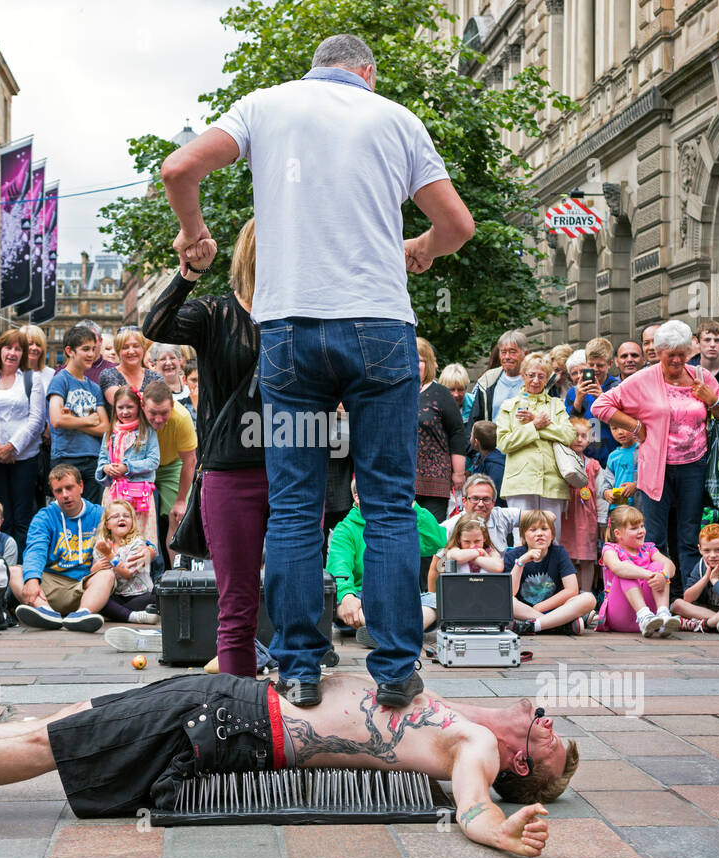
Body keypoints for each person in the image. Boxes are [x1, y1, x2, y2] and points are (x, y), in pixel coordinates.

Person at [162, 33, 474, 708]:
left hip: (292, 335)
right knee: (390, 503)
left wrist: (193, 233)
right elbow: (457, 225)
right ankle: (394, 670)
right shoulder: (397, 118)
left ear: (315, 65)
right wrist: (418, 249)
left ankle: (299, 667)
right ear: (366, 71)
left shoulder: (265, 105)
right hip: (380, 334)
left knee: (297, 508)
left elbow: (177, 168)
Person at [0, 676, 575, 857]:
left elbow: (471, 806)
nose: (540, 714)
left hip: (233, 725)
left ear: (517, 758)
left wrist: (500, 831)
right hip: (232, 697)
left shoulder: (470, 746)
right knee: (65, 722)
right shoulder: (459, 709)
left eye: (545, 733)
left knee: (56, 747)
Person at [142, 219, 266, 677]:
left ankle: (298, 690)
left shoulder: (302, 313)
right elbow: (155, 324)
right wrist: (190, 272)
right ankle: (239, 702)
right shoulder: (217, 313)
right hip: (230, 470)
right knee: (237, 597)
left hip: (295, 468)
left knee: (300, 588)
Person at [593, 320, 719, 587]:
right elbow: (601, 406)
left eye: (682, 354)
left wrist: (712, 400)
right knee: (654, 538)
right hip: (655, 468)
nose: (677, 360)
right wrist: (634, 425)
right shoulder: (643, 379)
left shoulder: (702, 377)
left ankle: (692, 594)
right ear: (659, 353)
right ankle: (657, 595)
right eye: (671, 354)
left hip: (694, 466)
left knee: (689, 535)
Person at [329, 476, 448, 648]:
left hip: (399, 597)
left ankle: (381, 632)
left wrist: (411, 504)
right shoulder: (345, 529)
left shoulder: (398, 525)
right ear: (357, 497)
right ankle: (403, 633)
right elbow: (339, 566)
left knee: (436, 600)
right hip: (362, 597)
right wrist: (347, 595)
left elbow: (437, 542)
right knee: (338, 602)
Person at [15, 464, 122, 633]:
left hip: (85, 585)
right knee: (15, 571)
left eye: (69, 488)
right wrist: (32, 580)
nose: (65, 495)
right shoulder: (45, 517)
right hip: (50, 586)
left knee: (107, 575)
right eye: (58, 491)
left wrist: (148, 548)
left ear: (81, 486)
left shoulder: (99, 514)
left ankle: (81, 615)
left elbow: (128, 535)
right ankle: (46, 613)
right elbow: (36, 550)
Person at [0, 329, 48, 550]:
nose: (13, 353)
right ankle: (1, 561)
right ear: (0, 350)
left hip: (24, 457)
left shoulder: (31, 379)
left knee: (22, 514)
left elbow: (36, 419)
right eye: (9, 347)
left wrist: (12, 447)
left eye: (18, 349)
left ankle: (23, 566)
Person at [495, 353, 577, 530]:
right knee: (522, 539)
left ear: (547, 378)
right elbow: (503, 443)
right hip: (520, 482)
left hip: (552, 482)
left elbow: (569, 436)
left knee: (552, 539)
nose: (535, 380)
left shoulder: (557, 405)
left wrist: (540, 426)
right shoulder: (510, 406)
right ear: (523, 375)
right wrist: (534, 426)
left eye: (541, 376)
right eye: (531, 375)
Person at [506, 510, 597, 636]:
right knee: (507, 601)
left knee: (589, 598)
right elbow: (510, 593)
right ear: (523, 536)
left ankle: (533, 625)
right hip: (524, 611)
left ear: (552, 535)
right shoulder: (513, 556)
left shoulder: (559, 553)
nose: (539, 534)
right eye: (532, 530)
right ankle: (560, 626)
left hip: (556, 609)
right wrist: (521, 562)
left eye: (544, 529)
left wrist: (539, 607)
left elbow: (572, 590)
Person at [48, 325, 108, 506]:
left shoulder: (94, 387)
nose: (91, 354)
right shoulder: (61, 380)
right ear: (70, 351)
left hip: (93, 458)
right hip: (66, 456)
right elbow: (57, 419)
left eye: (93, 349)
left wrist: (73, 420)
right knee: (67, 510)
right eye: (85, 349)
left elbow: (105, 426)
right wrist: (89, 420)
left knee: (92, 511)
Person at [597, 505, 678, 638]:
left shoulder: (648, 548)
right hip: (620, 616)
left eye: (642, 526)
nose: (641, 531)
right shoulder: (610, 549)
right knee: (626, 569)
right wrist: (649, 575)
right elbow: (618, 567)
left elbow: (670, 566)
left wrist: (663, 576)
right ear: (618, 533)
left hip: (653, 619)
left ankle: (663, 615)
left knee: (659, 566)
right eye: (634, 528)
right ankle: (643, 616)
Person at [141, 380, 196, 565]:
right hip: (140, 466)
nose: (158, 419)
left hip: (171, 465)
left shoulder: (182, 417)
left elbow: (190, 461)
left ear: (172, 406)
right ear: (142, 405)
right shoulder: (132, 412)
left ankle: (177, 574)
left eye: (164, 413)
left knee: (177, 516)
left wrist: (181, 500)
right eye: (152, 413)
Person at [97, 386, 160, 543]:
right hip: (114, 493)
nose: (125, 412)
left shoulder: (148, 432)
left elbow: (153, 460)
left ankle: (141, 565)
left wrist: (128, 467)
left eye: (129, 407)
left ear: (138, 407)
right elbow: (102, 459)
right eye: (120, 407)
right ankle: (116, 565)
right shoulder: (110, 433)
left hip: (139, 494)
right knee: (114, 537)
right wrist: (106, 468)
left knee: (141, 536)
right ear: (114, 408)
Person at [414, 337, 466, 521]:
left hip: (434, 482)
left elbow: (457, 433)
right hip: (401, 479)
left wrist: (458, 473)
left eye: (420, 360)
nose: (415, 364)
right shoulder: (396, 392)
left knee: (431, 536)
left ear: (428, 364)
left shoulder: (441, 393)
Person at [91, 498, 158, 630]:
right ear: (107, 524)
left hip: (139, 594)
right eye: (115, 516)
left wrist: (109, 554)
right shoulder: (102, 545)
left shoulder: (138, 543)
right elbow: (95, 577)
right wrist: (95, 568)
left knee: (154, 598)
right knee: (99, 600)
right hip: (117, 595)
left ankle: (117, 614)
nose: (121, 518)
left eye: (126, 516)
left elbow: (127, 574)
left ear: (132, 522)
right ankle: (132, 616)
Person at [560, 418, 604, 594]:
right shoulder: (561, 463)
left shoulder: (593, 465)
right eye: (575, 435)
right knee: (567, 557)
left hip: (587, 518)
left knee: (587, 558)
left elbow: (601, 495)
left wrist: (602, 519)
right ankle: (569, 596)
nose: (579, 439)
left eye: (583, 436)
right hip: (566, 517)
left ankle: (587, 597)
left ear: (589, 439)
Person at [566, 337, 620, 466]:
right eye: (591, 365)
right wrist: (578, 400)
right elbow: (568, 428)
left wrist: (601, 399)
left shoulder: (617, 388)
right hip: (583, 460)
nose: (595, 369)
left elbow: (622, 425)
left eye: (600, 365)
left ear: (610, 364)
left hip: (611, 458)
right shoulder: (573, 392)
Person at [468, 330, 529, 424]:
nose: (507, 357)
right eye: (503, 352)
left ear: (525, 354)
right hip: (494, 438)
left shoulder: (536, 381)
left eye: (513, 352)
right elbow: (475, 420)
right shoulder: (487, 381)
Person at [99, 328, 163, 408]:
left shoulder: (155, 377)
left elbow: (161, 403)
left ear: (143, 349)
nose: (131, 351)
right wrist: (150, 398)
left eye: (136, 346)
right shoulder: (109, 374)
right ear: (118, 351)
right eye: (125, 347)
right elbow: (121, 403)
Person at [599, 421, 639, 513]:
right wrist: (606, 493)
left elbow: (651, 478)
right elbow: (606, 483)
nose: (620, 432)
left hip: (639, 508)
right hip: (617, 510)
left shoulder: (643, 450)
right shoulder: (613, 456)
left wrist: (636, 485)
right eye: (614, 428)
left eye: (624, 426)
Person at [464, 421, 505, 499]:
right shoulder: (479, 457)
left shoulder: (496, 465)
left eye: (471, 435)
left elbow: (495, 494)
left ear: (476, 442)